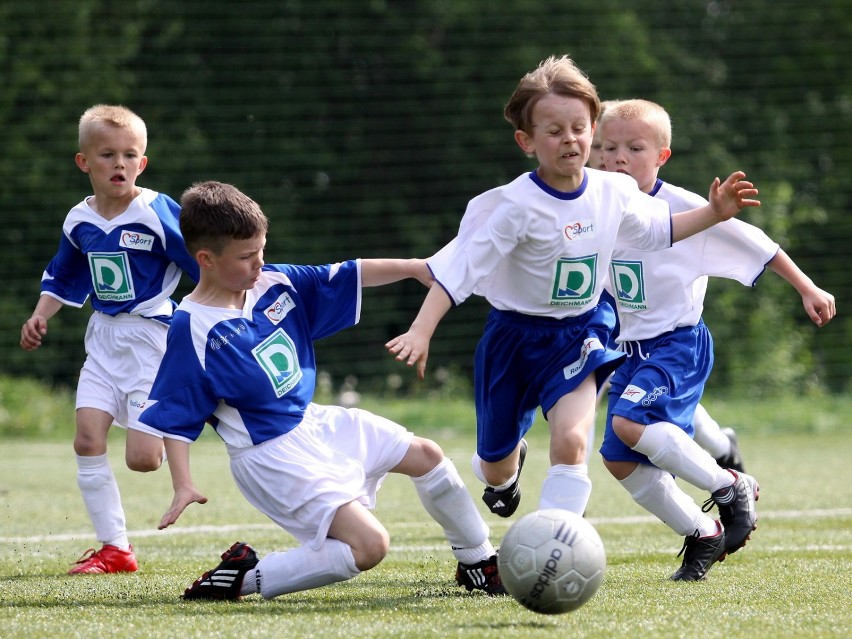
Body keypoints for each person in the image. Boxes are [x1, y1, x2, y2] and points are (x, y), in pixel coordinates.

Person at [385, 55, 760, 522]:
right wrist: (421, 331)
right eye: (555, 131)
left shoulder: (613, 191)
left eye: (580, 128)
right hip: (514, 339)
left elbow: (655, 232)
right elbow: (457, 271)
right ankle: (506, 468)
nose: (571, 139)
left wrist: (713, 213)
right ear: (526, 141)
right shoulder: (516, 207)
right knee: (494, 464)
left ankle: (554, 542)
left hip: (581, 332)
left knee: (571, 442)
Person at [138, 181, 505, 601]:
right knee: (370, 547)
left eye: (261, 250)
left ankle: (479, 563)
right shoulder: (193, 327)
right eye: (245, 257)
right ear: (205, 259)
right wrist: (182, 483)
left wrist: (415, 267)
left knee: (427, 456)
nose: (259, 263)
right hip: (270, 457)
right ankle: (243, 577)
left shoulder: (273, 282)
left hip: (315, 423)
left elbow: (348, 272)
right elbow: (176, 412)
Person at [597, 98, 836, 580]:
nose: (618, 157)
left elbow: (757, 243)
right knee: (618, 460)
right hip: (633, 351)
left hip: (678, 346)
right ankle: (702, 532)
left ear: (661, 156)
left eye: (634, 147)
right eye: (607, 147)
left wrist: (807, 287)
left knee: (628, 424)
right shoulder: (596, 206)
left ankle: (729, 485)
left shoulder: (685, 209)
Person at [19, 104, 199, 575]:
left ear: (142, 162)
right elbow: (63, 275)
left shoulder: (159, 212)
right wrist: (40, 315)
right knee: (85, 439)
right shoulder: (78, 220)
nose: (119, 164)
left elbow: (205, 264)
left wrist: (218, 314)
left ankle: (189, 412)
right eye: (107, 154)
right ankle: (115, 549)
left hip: (152, 341)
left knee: (144, 460)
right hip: (102, 339)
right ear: (84, 162)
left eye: (129, 155)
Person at [591, 101, 747, 473]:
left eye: (610, 148)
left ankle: (720, 453)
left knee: (640, 392)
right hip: (601, 300)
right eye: (603, 148)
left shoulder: (655, 200)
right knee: (607, 393)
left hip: (638, 307)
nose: (606, 157)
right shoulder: (584, 188)